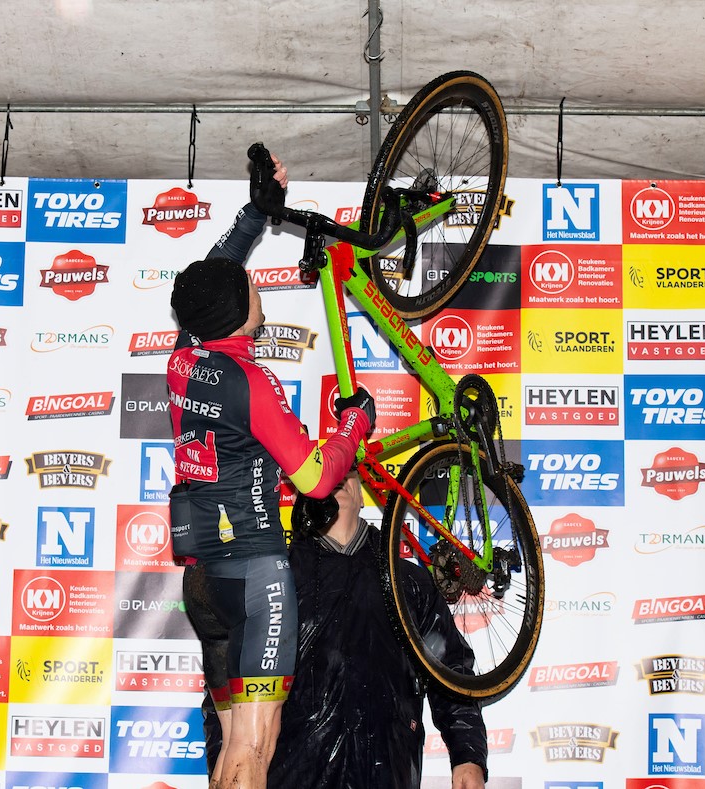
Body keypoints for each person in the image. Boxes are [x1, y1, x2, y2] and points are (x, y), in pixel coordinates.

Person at [168, 155, 377, 789]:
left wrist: (258, 214)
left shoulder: (183, 360)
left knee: (231, 748)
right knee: (253, 753)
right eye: (252, 289)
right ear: (238, 313)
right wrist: (355, 425)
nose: (258, 287)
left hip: (204, 581)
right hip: (257, 573)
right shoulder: (252, 383)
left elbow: (218, 275)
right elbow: (316, 479)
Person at [204, 471, 488, 789]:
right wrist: (226, 770)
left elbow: (451, 672)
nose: (334, 477)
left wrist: (468, 756)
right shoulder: (269, 583)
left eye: (345, 473)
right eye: (321, 472)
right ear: (300, 500)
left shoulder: (409, 582)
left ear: (362, 497)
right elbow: (227, 691)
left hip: (387, 773)